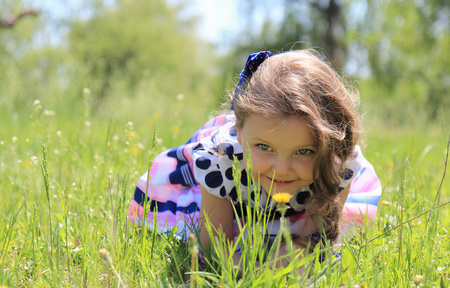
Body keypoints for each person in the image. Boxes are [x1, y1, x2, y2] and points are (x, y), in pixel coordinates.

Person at [128, 49, 381, 259]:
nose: (281, 169)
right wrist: (259, 270)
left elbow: (314, 245)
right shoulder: (220, 162)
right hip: (231, 203)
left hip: (301, 205)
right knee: (190, 233)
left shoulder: (336, 164)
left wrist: (297, 256)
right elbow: (215, 251)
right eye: (264, 147)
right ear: (238, 129)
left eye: (303, 152)